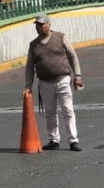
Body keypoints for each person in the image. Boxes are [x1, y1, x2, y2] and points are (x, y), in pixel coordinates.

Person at [23, 14, 84, 152]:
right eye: (37, 25)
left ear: (49, 25)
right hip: (44, 82)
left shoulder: (61, 38)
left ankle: (73, 140)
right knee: (50, 112)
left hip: (62, 79)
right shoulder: (33, 45)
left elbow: (72, 56)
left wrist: (77, 76)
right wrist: (28, 85)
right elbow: (29, 66)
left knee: (67, 110)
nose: (39, 27)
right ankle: (53, 140)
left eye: (41, 24)